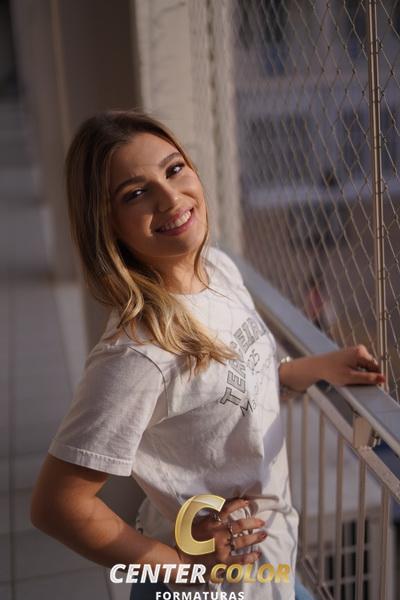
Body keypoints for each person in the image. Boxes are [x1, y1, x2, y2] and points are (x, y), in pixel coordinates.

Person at [30, 110, 386, 600]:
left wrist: (316, 368)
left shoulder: (217, 270)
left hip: (267, 569)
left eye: (174, 169)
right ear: (106, 223)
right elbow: (56, 505)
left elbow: (233, 385)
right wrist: (180, 569)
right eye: (135, 194)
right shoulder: (138, 354)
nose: (170, 198)